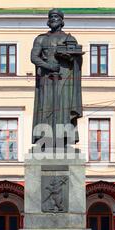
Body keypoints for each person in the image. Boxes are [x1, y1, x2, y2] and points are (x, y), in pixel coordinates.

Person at [31, 9, 83, 148]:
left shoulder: (69, 39)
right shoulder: (41, 38)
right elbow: (34, 57)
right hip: (46, 79)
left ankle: (63, 141)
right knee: (46, 107)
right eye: (51, 17)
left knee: (64, 108)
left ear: (61, 20)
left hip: (65, 79)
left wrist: (69, 57)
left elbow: (76, 58)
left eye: (56, 16)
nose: (53, 19)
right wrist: (48, 66)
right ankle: (45, 140)